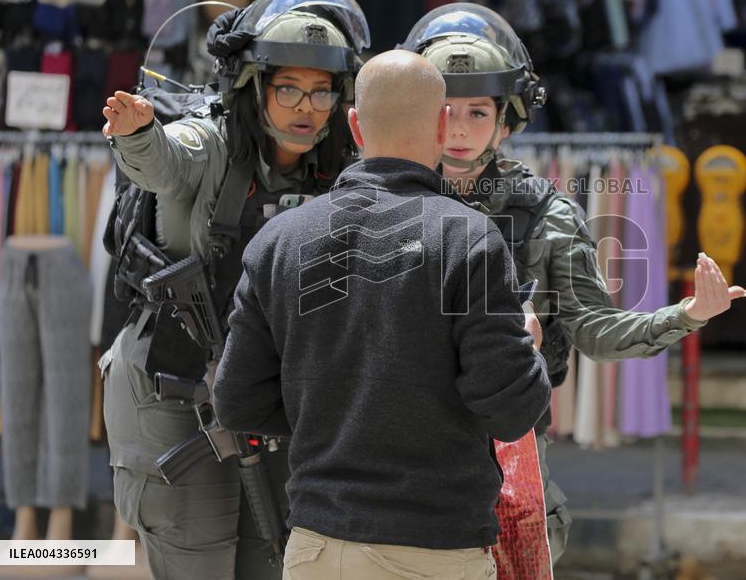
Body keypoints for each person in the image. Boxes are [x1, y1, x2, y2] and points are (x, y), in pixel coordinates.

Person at [401, 3, 746, 563]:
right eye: (445, 110)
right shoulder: (383, 204)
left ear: (507, 121)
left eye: (478, 111)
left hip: (505, 457)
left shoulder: (547, 217)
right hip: (397, 457)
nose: (459, 129)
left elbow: (595, 330)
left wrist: (686, 315)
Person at [213, 50, 551, 580]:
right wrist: (529, 350)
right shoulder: (469, 239)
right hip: (434, 551)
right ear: (442, 125)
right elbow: (511, 412)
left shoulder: (278, 240)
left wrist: (330, 411)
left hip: (315, 548)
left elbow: (237, 401)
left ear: (354, 126)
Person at [98, 0, 370, 580]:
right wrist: (137, 132)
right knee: (197, 556)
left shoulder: (340, 168)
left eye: (321, 91)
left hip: (272, 396)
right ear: (255, 85)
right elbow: (164, 160)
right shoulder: (213, 141)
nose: (306, 108)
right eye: (289, 88)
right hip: (175, 388)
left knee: (271, 560)